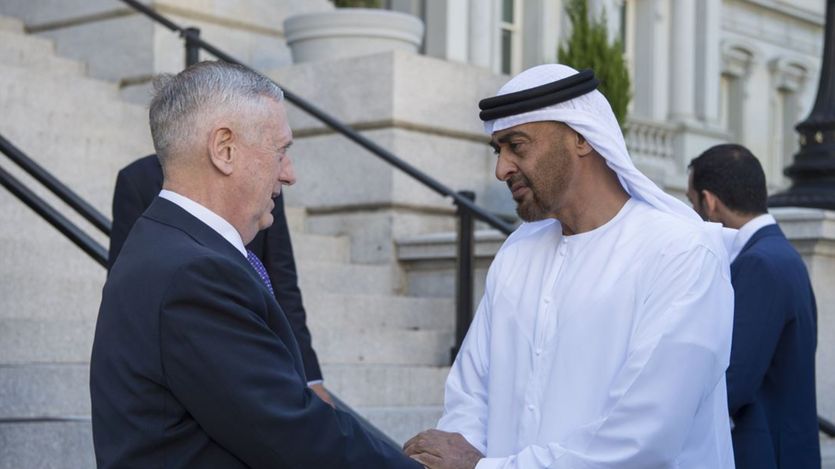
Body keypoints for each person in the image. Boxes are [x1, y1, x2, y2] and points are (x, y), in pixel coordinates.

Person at [90, 60, 421, 468]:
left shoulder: (169, 246)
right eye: (280, 151)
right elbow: (293, 436)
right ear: (224, 149)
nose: (290, 174)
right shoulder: (193, 275)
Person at [404, 64, 736, 469]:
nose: (501, 169)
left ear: (581, 138)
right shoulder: (517, 254)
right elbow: (470, 398)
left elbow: (642, 439)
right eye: (498, 150)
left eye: (517, 145)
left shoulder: (680, 252)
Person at [108, 154, 330, 404]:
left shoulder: (262, 179)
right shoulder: (137, 178)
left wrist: (310, 377)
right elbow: (126, 283)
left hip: (256, 345)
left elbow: (283, 279)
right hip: (185, 360)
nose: (288, 174)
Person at [687, 144, 820, 469]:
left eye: (692, 205)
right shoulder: (782, 254)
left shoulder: (758, 263)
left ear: (710, 201)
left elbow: (733, 381)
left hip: (764, 455)